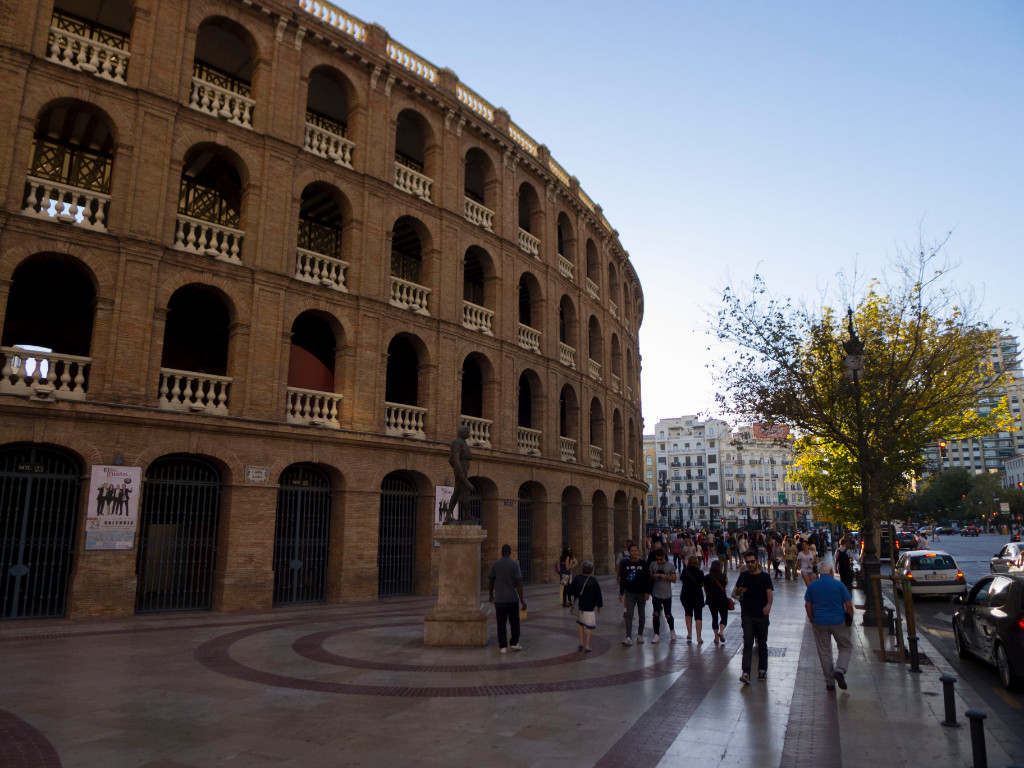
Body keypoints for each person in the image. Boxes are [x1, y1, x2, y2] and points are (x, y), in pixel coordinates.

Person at [804, 561, 854, 690]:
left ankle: (829, 682)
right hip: (838, 621)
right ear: (831, 571)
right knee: (845, 646)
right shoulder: (839, 585)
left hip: (819, 622)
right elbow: (848, 604)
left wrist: (811, 619)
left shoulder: (812, 586)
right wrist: (850, 619)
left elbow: (807, 605)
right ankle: (840, 670)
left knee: (824, 651)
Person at [733, 551, 774, 683]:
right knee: (747, 643)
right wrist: (739, 591)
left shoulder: (765, 577)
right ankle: (746, 672)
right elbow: (735, 594)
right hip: (747, 615)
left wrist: (768, 605)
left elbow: (769, 593)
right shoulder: (743, 576)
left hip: (761, 615)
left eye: (752, 561)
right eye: (748, 562)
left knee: (762, 643)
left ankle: (762, 670)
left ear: (757, 562)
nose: (750, 564)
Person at [488, 544, 527, 653]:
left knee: (501, 623)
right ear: (510, 552)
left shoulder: (495, 564)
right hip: (512, 599)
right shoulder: (515, 565)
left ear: (502, 552)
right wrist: (522, 599)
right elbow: (519, 583)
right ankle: (514, 643)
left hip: (499, 599)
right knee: (514, 622)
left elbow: (491, 580)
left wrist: (491, 594)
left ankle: (503, 646)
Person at [566, 560, 602, 652]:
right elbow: (598, 594)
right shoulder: (593, 580)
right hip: (589, 607)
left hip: (579, 606)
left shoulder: (577, 578)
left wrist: (568, 586)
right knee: (589, 626)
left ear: (582, 569)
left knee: (580, 623)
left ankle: (581, 642)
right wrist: (599, 605)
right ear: (591, 570)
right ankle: (587, 645)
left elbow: (571, 591)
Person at [618, 544, 650, 645]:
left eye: (636, 550)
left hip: (641, 593)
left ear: (638, 552)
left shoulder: (643, 563)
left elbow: (647, 579)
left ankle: (640, 635)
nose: (634, 552)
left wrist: (647, 592)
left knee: (642, 615)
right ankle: (628, 637)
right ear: (629, 552)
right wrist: (621, 593)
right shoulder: (625, 564)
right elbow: (623, 580)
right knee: (629, 615)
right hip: (630, 593)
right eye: (632, 551)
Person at [447, 425, 476, 522]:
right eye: (467, 432)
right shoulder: (457, 443)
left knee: (457, 493)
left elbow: (451, 460)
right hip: (461, 472)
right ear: (461, 432)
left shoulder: (463, 443)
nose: (469, 434)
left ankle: (449, 515)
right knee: (464, 492)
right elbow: (454, 459)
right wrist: (460, 473)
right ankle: (467, 515)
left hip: (464, 470)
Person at [649, 549, 677, 643]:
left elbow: (674, 579)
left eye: (660, 559)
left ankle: (672, 630)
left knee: (668, 614)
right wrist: (653, 576)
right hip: (656, 593)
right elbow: (650, 575)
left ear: (664, 557)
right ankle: (656, 634)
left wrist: (665, 577)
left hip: (666, 594)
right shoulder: (653, 564)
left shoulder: (670, 565)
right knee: (656, 614)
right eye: (657, 559)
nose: (659, 561)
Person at [679, 554, 706, 642]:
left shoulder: (685, 571)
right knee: (698, 616)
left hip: (686, 595)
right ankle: (699, 637)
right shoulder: (700, 572)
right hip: (697, 595)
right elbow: (702, 583)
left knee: (688, 613)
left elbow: (682, 580)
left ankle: (689, 633)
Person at [704, 559, 729, 644]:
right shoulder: (723, 576)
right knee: (724, 617)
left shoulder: (707, 577)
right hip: (722, 599)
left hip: (711, 600)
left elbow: (705, 589)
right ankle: (721, 632)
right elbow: (726, 583)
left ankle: (716, 637)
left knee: (714, 617)